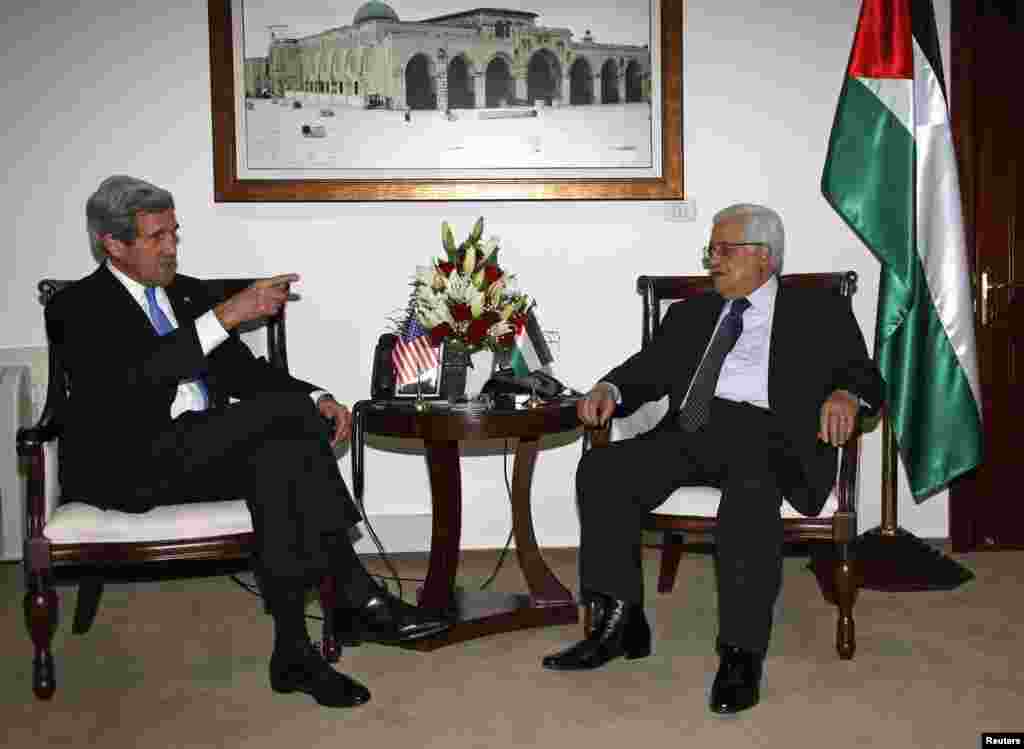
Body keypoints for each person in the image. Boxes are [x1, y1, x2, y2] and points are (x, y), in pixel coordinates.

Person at [50, 175, 450, 708]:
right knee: (279, 434)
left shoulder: (183, 293)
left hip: (196, 452)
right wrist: (225, 315)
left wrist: (317, 397)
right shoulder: (78, 307)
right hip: (130, 463)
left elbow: (246, 373)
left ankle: (294, 652)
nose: (172, 247)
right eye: (156, 237)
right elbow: (137, 383)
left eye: (175, 232)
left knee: (279, 454)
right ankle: (352, 597)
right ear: (113, 244)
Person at [544, 204, 883, 714]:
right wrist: (610, 385)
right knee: (604, 469)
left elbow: (867, 378)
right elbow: (648, 370)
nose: (713, 261)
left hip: (770, 438)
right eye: (711, 250)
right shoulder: (692, 313)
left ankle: (741, 654)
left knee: (751, 488)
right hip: (692, 431)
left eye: (725, 250)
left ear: (764, 258)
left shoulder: (819, 311)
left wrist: (847, 398)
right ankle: (619, 621)